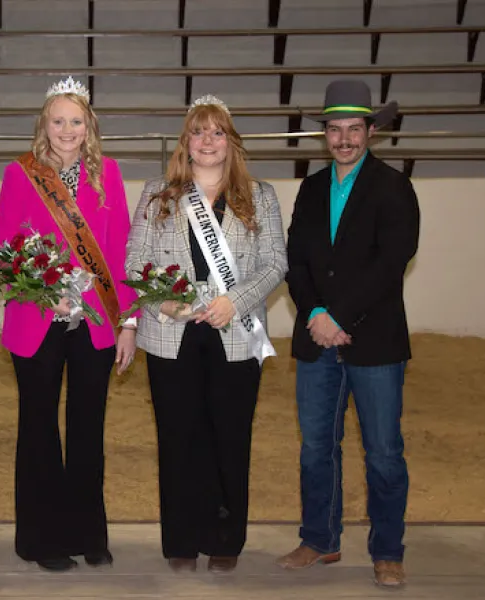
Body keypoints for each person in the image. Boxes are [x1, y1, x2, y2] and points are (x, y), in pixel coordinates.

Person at [125, 94, 287, 572]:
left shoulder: (260, 196)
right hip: (171, 333)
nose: (208, 141)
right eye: (199, 131)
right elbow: (136, 262)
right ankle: (180, 539)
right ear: (185, 143)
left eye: (218, 132)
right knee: (178, 438)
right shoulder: (158, 194)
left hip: (234, 331)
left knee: (230, 437)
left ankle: (224, 539)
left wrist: (232, 301)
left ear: (231, 142)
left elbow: (275, 262)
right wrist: (164, 300)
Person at [276, 79, 420, 588]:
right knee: (316, 447)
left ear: (371, 131)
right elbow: (296, 259)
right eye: (334, 130)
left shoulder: (394, 187)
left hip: (374, 342)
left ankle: (388, 549)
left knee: (383, 451)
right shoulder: (312, 189)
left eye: (353, 129)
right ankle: (320, 538)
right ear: (325, 135)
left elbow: (391, 262)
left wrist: (337, 317)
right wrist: (315, 311)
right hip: (317, 338)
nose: (343, 139)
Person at [0, 76, 137, 572]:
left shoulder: (109, 175)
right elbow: (6, 249)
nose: (67, 130)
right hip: (39, 316)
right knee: (37, 427)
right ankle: (40, 540)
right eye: (58, 121)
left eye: (76, 121)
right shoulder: (20, 174)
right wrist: (42, 289)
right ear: (44, 125)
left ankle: (87, 534)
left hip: (97, 320)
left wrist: (129, 323)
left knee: (87, 427)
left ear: (89, 126)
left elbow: (120, 250)